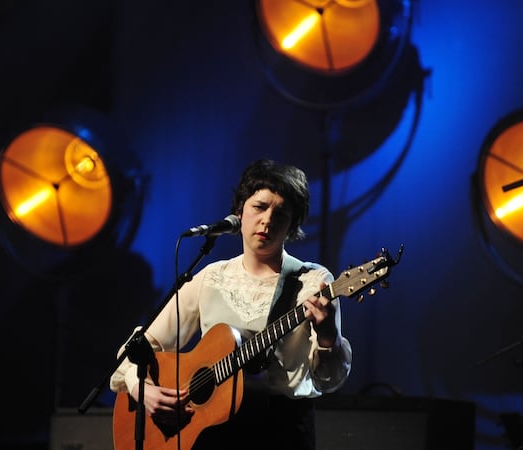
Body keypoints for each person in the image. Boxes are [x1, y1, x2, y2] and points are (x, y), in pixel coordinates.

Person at [109, 159, 353, 450]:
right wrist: (141, 389)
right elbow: (141, 346)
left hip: (282, 432)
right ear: (239, 212)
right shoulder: (211, 277)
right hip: (211, 434)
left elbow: (328, 380)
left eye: (281, 213)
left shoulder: (313, 282)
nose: (268, 220)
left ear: (291, 224)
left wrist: (327, 336)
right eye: (259, 207)